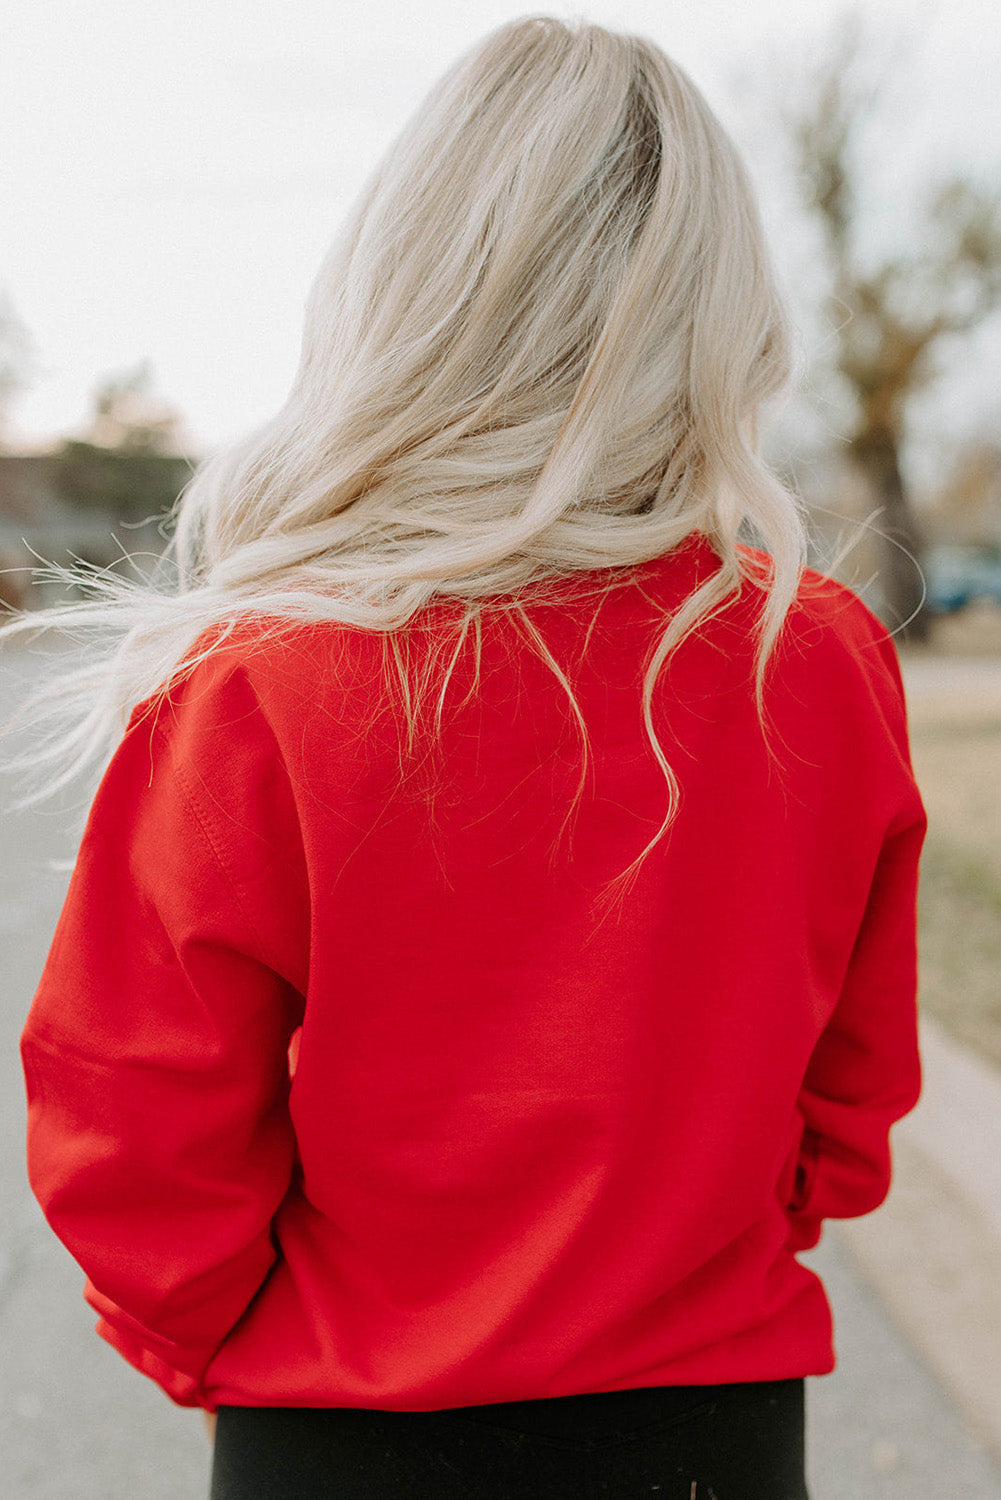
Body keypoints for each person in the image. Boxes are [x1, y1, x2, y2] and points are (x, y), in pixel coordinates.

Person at [9, 16, 926, 1500]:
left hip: (340, 1429)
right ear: (719, 313)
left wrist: (219, 1339)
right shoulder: (812, 661)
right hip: (712, 1426)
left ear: (399, 293)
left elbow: (131, 1116)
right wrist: (691, 1261)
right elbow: (852, 1084)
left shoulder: (263, 682)